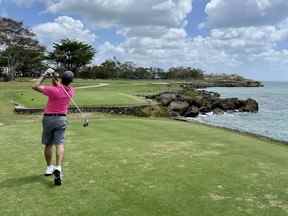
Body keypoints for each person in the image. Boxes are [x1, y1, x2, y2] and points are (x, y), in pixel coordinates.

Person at [32, 69, 75, 186]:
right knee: (59, 144)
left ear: (62, 79)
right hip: (62, 119)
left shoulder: (53, 90)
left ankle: (49, 167)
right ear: (71, 81)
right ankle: (59, 168)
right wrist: (55, 78)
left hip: (49, 119)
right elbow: (59, 85)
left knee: (48, 144)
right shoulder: (71, 91)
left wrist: (44, 74)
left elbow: (35, 86)